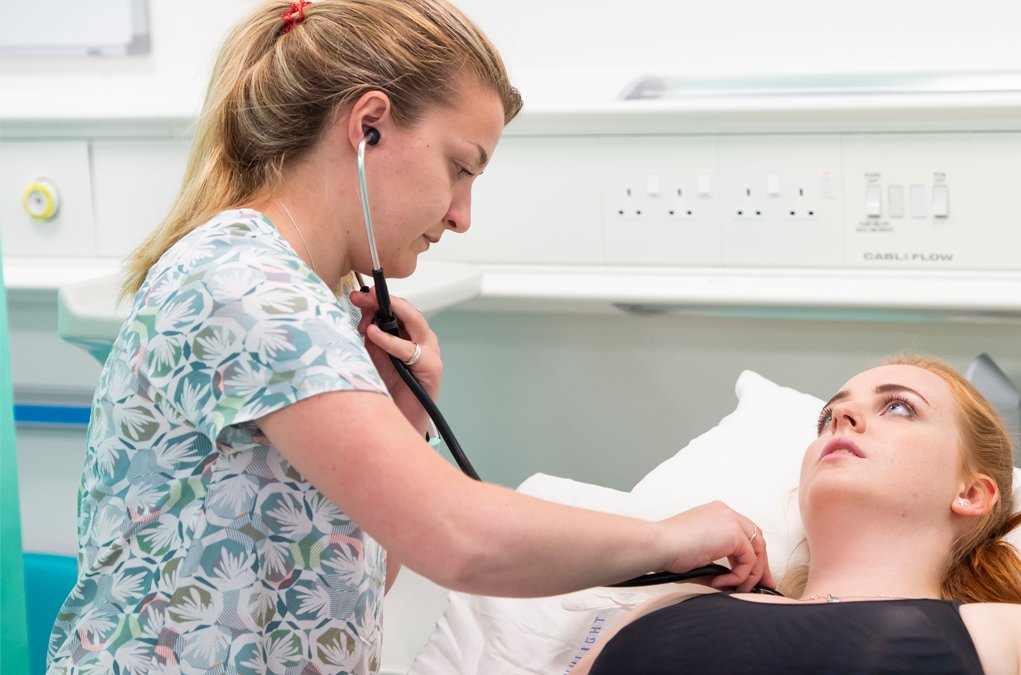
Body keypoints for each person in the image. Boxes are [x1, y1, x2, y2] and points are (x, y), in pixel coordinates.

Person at [46, 1, 770, 672]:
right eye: (459, 168)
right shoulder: (249, 289)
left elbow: (356, 581)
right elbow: (460, 539)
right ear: (368, 127)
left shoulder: (302, 300)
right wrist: (669, 535)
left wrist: (404, 416)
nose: (462, 215)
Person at [575, 355, 1021, 674]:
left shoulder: (1020, 636)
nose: (841, 418)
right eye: (827, 416)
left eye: (898, 406)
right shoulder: (664, 606)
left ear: (971, 492)